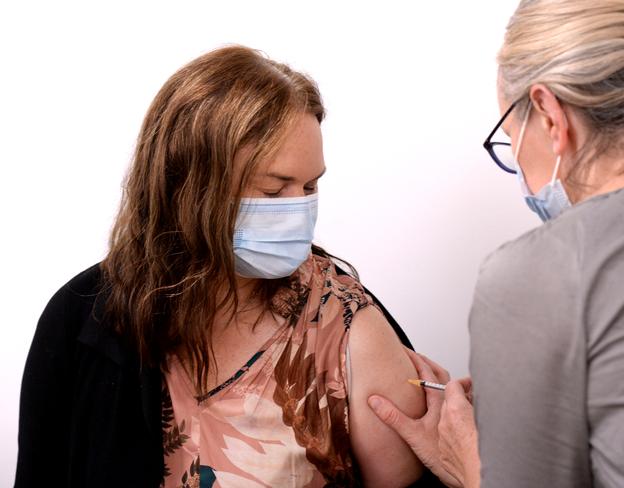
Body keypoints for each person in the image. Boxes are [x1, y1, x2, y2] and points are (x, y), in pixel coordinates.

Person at [15, 46, 434, 488]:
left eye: (311, 186)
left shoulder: (344, 326)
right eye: (274, 191)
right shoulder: (83, 319)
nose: (300, 211)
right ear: (191, 187)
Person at [368, 0, 624, 487]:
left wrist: (470, 465)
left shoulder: (541, 273)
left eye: (510, 135)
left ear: (547, 113)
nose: (518, 165)